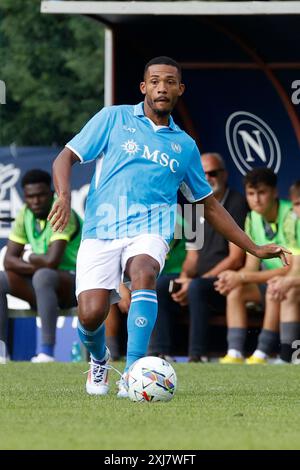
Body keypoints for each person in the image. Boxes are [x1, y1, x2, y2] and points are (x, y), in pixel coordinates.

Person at [49, 56, 289, 398]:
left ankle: (133, 372)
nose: (163, 86)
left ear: (180, 89)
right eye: (156, 80)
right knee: (90, 315)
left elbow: (207, 205)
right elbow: (66, 157)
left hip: (151, 228)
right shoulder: (113, 118)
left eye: (170, 81)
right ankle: (100, 360)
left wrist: (255, 247)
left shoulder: (185, 146)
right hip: (102, 228)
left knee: (145, 271)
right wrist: (62, 195)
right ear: (144, 87)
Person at [149, 153, 248, 361]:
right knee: (163, 285)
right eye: (202, 174)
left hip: (225, 280)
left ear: (225, 174)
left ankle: (197, 355)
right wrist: (185, 278)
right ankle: (160, 353)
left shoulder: (236, 202)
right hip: (199, 281)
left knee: (196, 288)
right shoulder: (195, 207)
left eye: (212, 173)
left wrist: (196, 281)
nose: (208, 177)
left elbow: (236, 258)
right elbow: (192, 257)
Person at [0, 169, 82, 362]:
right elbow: (8, 261)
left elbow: (52, 261)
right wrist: (35, 259)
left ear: (52, 193)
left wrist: (27, 256)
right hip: (43, 287)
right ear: (25, 197)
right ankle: (1, 352)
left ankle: (47, 352)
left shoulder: (63, 211)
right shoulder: (25, 214)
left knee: (44, 275)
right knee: (2, 278)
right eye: (30, 196)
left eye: (40, 195)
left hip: (76, 285)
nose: (35, 201)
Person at [215, 168, 292, 364]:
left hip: (290, 281)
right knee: (235, 291)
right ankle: (235, 352)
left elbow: (290, 268)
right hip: (270, 281)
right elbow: (251, 266)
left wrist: (240, 277)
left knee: (275, 285)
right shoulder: (252, 218)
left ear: (275, 192)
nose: (256, 199)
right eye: (251, 193)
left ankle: (262, 352)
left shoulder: (291, 214)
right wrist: (232, 279)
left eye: (262, 192)